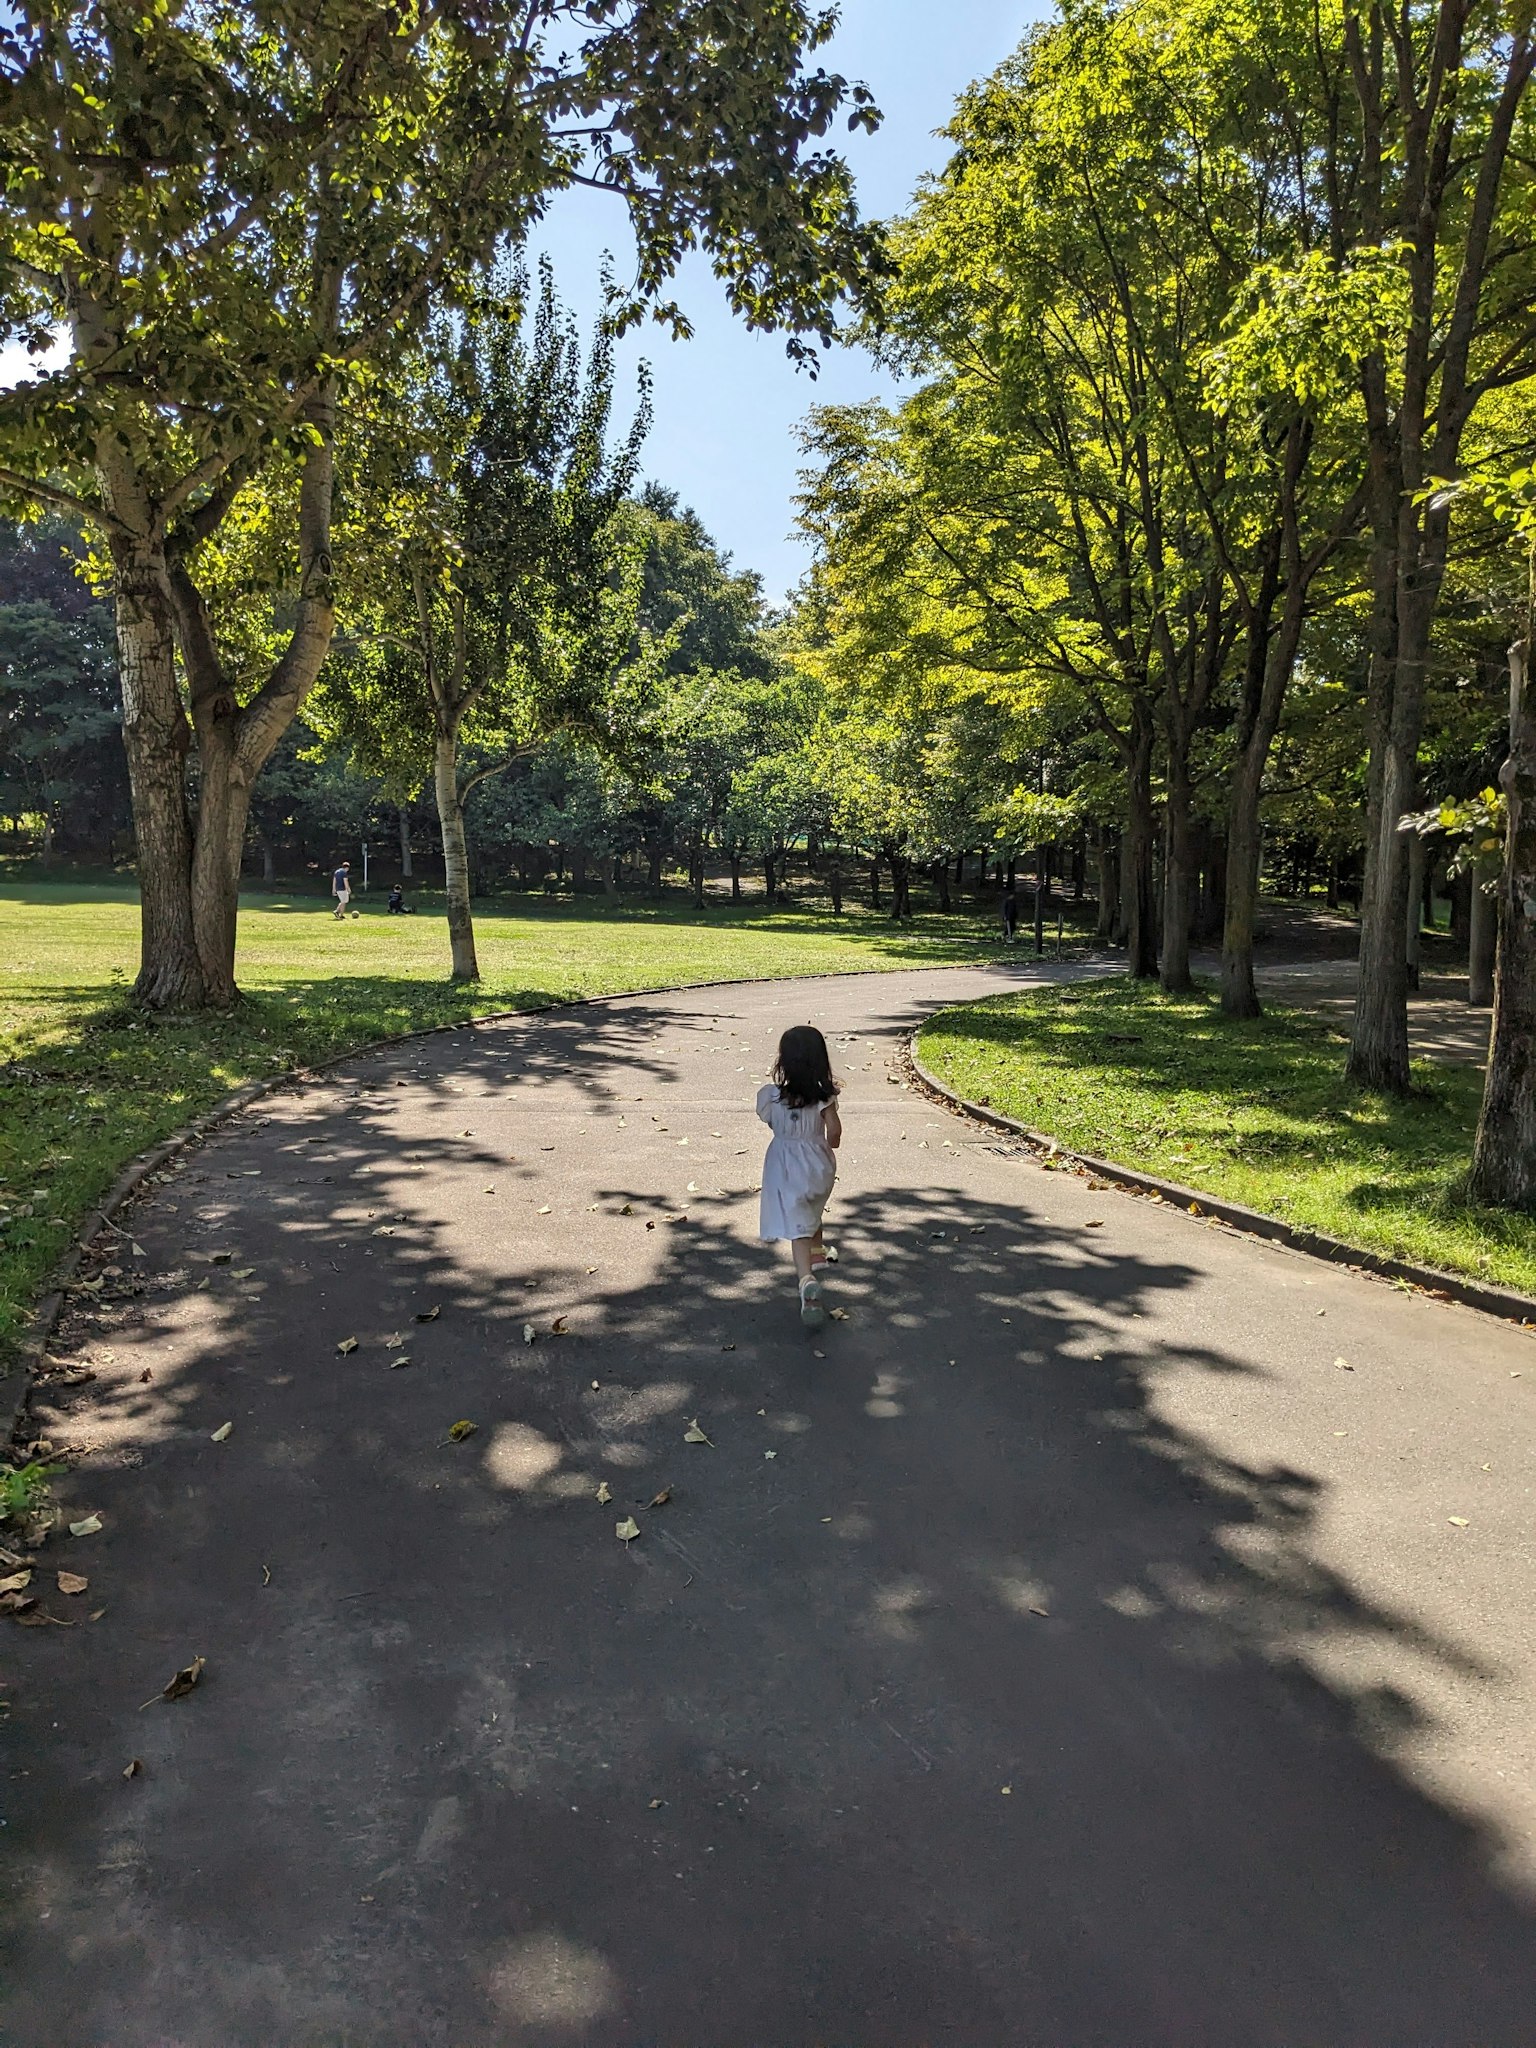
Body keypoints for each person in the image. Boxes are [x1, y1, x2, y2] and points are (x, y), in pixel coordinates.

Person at [757, 1024, 842, 1329]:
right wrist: (825, 1138)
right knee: (812, 1205)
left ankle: (805, 1279)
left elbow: (771, 1123)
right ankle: (817, 1253)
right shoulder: (825, 1097)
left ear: (784, 1061)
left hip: (784, 1165)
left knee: (798, 1226)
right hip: (818, 1164)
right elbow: (834, 1135)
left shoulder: (771, 1097)